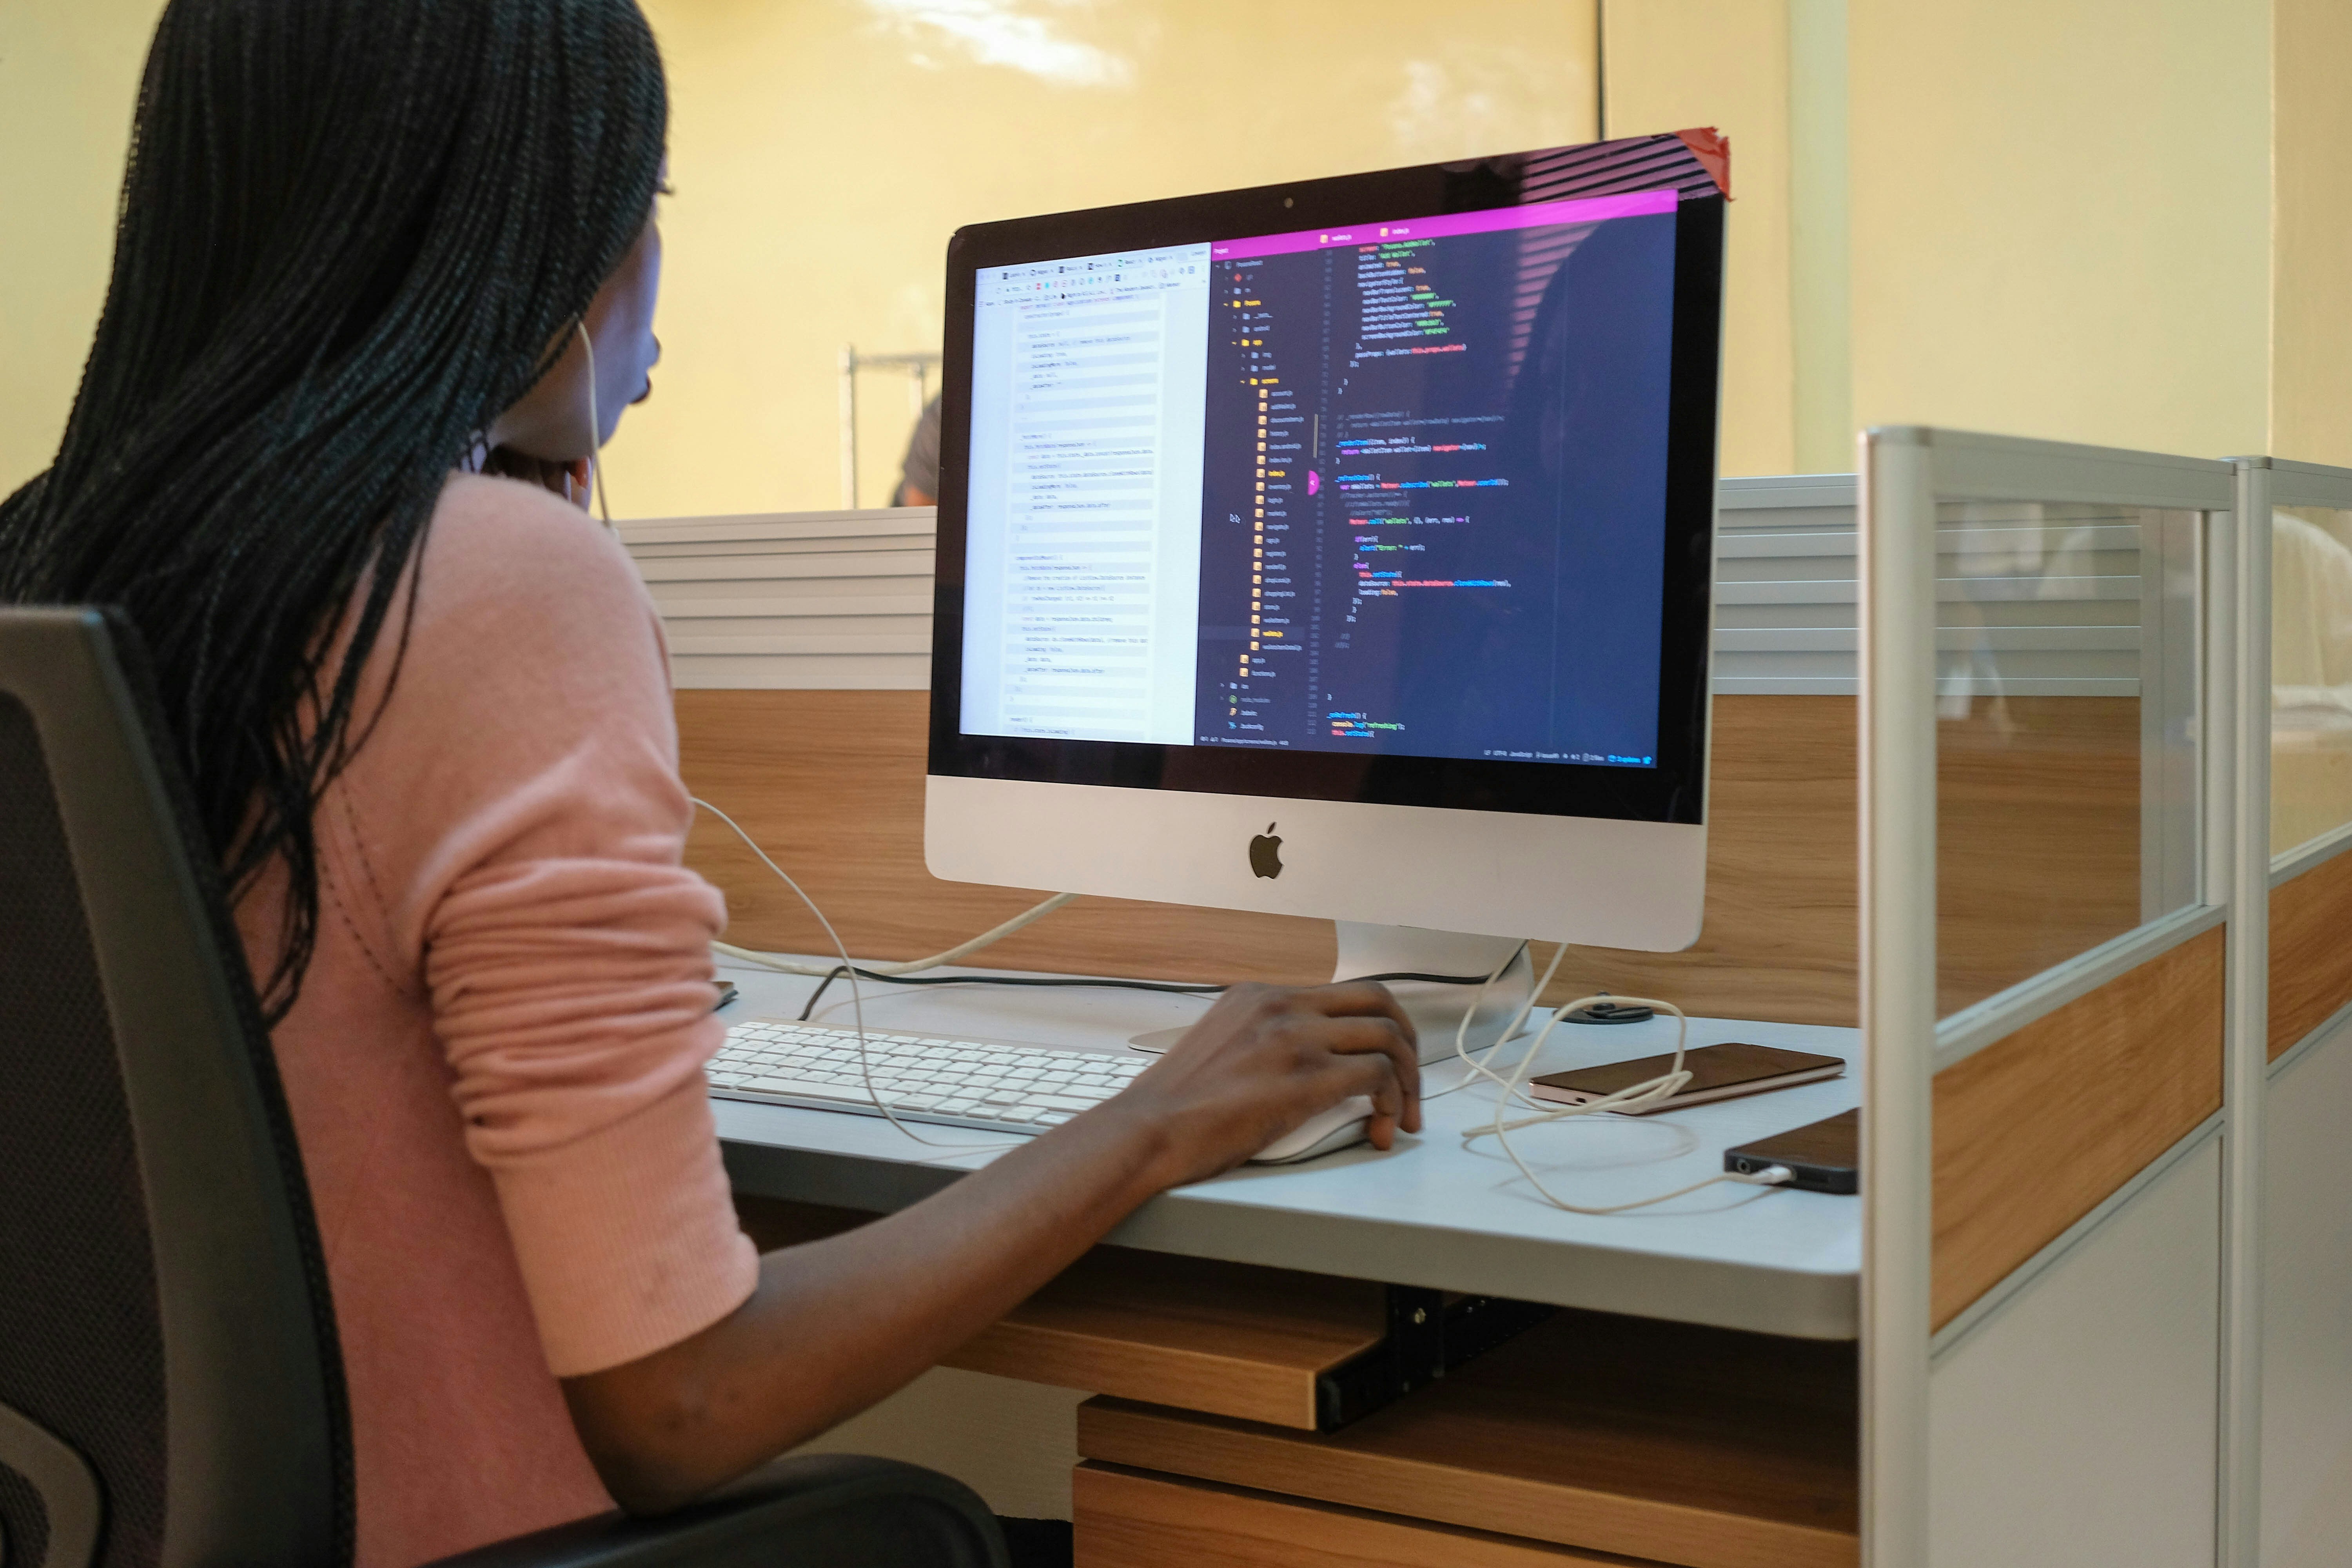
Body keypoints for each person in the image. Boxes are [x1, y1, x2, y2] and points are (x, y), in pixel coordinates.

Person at [0, 3, 1421, 1565]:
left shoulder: (60, 560)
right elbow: (680, 1403)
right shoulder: (482, 581)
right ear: (527, 234)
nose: (651, 297)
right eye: (646, 205)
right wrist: (1155, 1119)